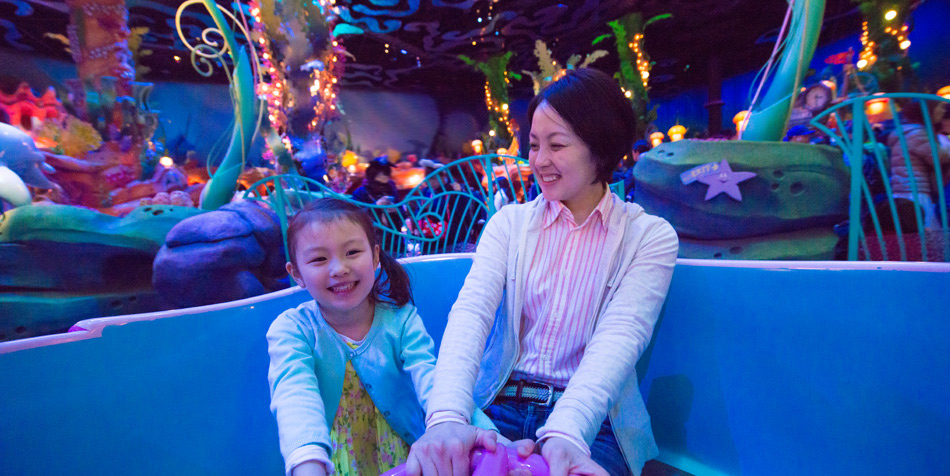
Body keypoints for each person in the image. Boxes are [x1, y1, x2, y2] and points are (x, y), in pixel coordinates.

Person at [407, 68, 680, 476]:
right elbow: (471, 315)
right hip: (499, 404)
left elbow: (621, 336)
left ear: (600, 149)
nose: (538, 160)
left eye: (557, 145)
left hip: (595, 421)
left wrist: (567, 433)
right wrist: (447, 415)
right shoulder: (508, 224)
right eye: (534, 145)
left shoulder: (650, 237)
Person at [267, 198, 497, 476]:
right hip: (336, 463)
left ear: (375, 256)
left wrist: (490, 436)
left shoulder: (400, 320)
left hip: (406, 458)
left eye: (352, 252)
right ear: (296, 273)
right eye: (319, 259)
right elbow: (295, 396)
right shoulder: (293, 330)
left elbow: (434, 379)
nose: (339, 268)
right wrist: (307, 463)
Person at [887, 100, 950, 229]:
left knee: (920, 229)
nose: (943, 111)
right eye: (940, 107)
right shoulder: (917, 133)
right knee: (928, 231)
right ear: (927, 111)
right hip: (914, 189)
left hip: (908, 187)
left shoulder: (910, 131)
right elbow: (938, 157)